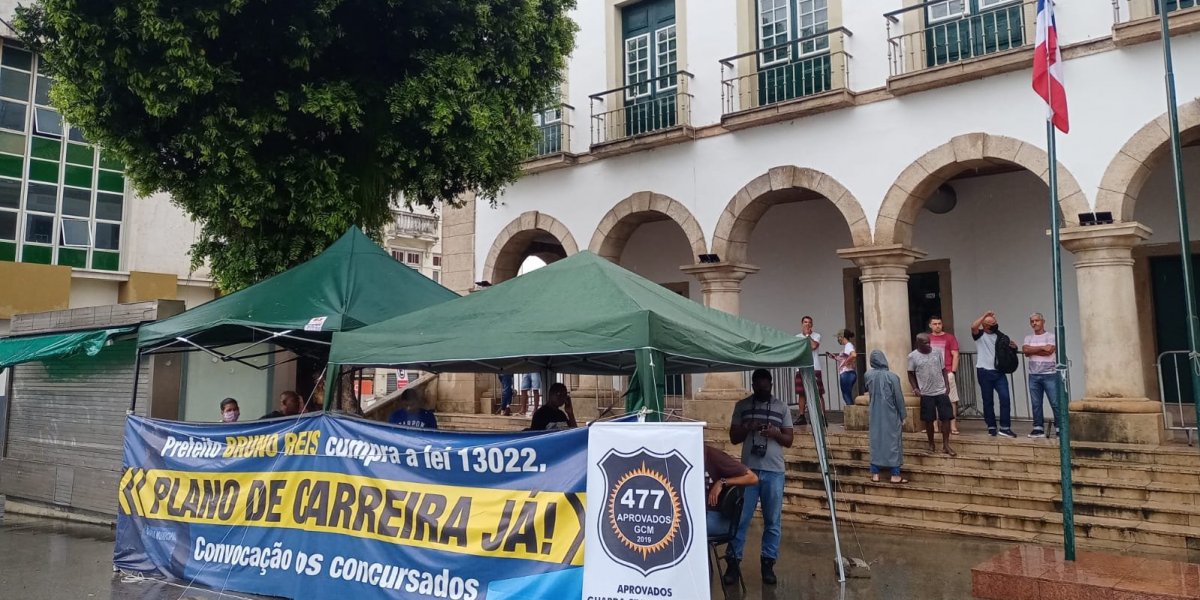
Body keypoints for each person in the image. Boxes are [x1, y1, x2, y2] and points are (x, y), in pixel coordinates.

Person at [726, 369, 793, 586]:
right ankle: (733, 563)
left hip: (774, 470)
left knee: (773, 520)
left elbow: (789, 440)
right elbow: (733, 437)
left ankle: (768, 563)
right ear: (754, 385)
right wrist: (747, 427)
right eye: (759, 386)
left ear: (771, 385)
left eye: (767, 387)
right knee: (740, 518)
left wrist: (774, 433)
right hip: (748, 471)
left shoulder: (782, 407)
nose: (763, 390)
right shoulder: (743, 406)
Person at [971, 311, 1018, 438]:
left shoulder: (1001, 336)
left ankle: (1005, 427)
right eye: (991, 324)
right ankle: (991, 425)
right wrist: (984, 315)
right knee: (987, 400)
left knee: (1005, 398)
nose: (994, 325)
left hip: (999, 372)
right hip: (984, 371)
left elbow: (1008, 352)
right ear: (985, 325)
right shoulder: (979, 335)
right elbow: (973, 327)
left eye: (995, 323)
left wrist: (1014, 348)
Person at [908, 333, 955, 456]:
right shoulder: (912, 356)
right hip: (926, 392)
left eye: (929, 342)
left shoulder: (937, 352)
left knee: (946, 417)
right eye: (925, 343)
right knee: (929, 420)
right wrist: (915, 388)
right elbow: (910, 373)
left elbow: (943, 369)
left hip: (940, 390)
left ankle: (946, 445)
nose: (928, 345)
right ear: (918, 343)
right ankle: (931, 444)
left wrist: (947, 385)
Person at [865, 350, 907, 483]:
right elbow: (898, 398)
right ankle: (895, 475)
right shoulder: (893, 377)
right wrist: (903, 414)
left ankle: (875, 474)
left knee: (876, 440)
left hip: (875, 411)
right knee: (893, 441)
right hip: (890, 412)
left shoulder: (868, 375)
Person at [704, 445, 759, 538]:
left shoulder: (714, 456)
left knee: (682, 528)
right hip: (699, 514)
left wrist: (723, 482)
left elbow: (752, 478)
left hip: (717, 516)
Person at [1023, 313, 1059, 438]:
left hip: (1050, 374)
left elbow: (1049, 351)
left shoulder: (1051, 336)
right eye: (1032, 321)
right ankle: (1038, 428)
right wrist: (1042, 348)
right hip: (1033, 375)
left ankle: (1060, 427)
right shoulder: (1028, 338)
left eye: (1037, 320)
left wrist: (1034, 350)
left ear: (1043, 321)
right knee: (1036, 403)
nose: (1034, 323)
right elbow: (1026, 351)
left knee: (1055, 401)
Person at [928, 316, 961, 435]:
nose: (937, 326)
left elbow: (955, 355)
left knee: (952, 399)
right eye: (935, 324)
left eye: (939, 323)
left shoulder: (950, 338)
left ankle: (953, 426)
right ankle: (935, 426)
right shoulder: (928, 338)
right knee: (932, 400)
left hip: (947, 371)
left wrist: (953, 371)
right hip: (932, 373)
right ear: (930, 325)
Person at [792, 315, 823, 426]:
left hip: (814, 367)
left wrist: (808, 336)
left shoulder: (816, 336)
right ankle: (801, 416)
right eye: (805, 322)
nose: (807, 324)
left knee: (818, 393)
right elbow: (797, 350)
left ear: (812, 325)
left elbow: (813, 346)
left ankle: (821, 416)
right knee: (801, 393)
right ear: (802, 324)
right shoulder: (797, 337)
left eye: (809, 322)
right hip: (801, 368)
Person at [830, 329, 858, 406]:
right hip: (850, 373)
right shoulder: (847, 346)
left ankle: (852, 414)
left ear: (842, 337)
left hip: (846, 373)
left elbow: (853, 355)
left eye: (838, 337)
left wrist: (846, 362)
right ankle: (852, 412)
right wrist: (836, 358)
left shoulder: (848, 345)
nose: (838, 339)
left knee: (846, 395)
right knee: (847, 394)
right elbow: (847, 357)